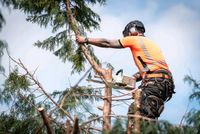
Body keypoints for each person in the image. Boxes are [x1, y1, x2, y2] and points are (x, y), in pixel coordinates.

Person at [76, 20, 175, 125]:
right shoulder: (150, 44)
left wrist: (85, 40)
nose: (127, 38)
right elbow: (149, 69)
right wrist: (128, 79)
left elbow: (107, 43)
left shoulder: (135, 39)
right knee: (148, 116)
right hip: (165, 84)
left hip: (155, 81)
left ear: (133, 30)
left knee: (137, 112)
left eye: (127, 35)